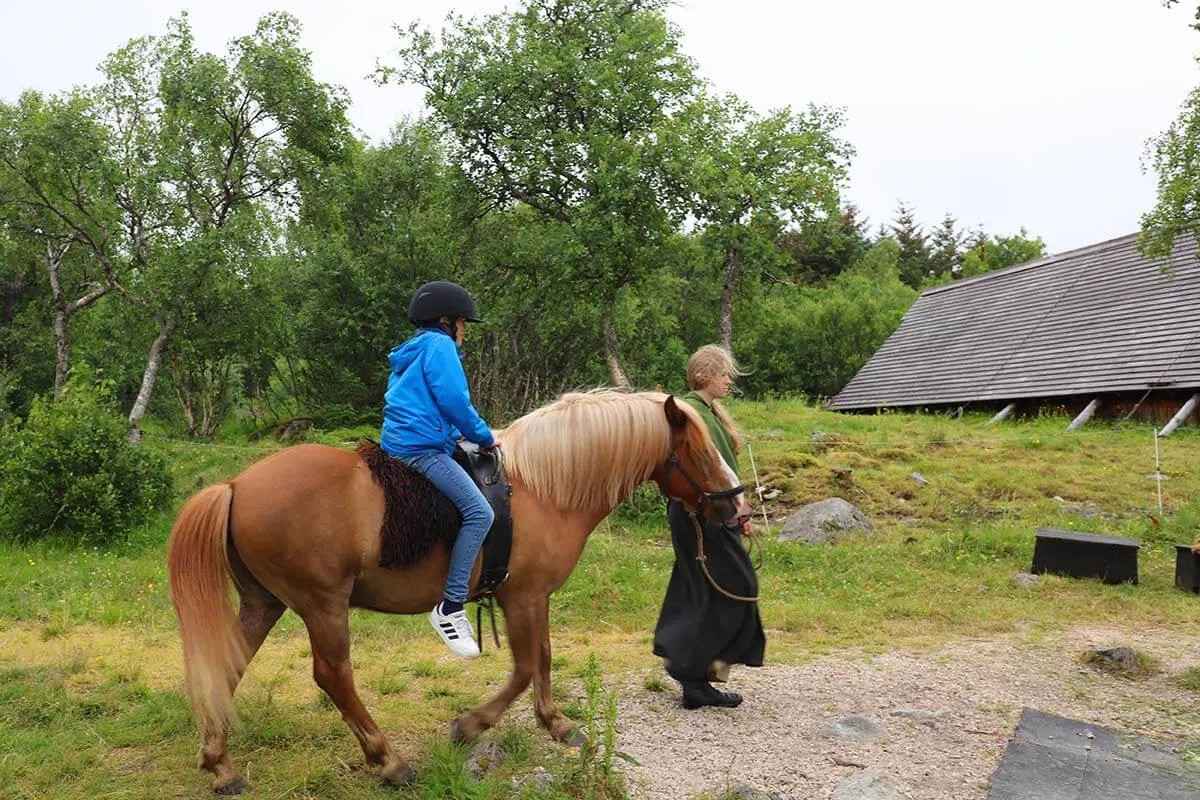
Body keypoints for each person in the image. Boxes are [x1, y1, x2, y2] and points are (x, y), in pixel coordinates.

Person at [381, 280, 497, 659]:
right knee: (480, 512)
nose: (464, 331)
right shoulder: (440, 346)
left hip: (402, 442)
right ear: (446, 321)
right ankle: (450, 606)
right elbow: (453, 401)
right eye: (463, 323)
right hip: (421, 449)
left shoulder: (412, 350)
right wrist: (483, 436)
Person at [653, 344, 765, 708]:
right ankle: (691, 670)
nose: (729, 381)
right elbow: (714, 468)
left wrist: (737, 508)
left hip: (710, 512)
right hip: (701, 514)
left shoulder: (709, 411)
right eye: (723, 374)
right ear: (704, 375)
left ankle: (695, 678)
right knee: (733, 585)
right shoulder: (692, 412)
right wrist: (740, 507)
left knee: (701, 590)